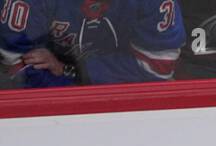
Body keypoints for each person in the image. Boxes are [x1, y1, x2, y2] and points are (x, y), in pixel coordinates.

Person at [0, 0, 185, 86]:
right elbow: (18, 71)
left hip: (126, 111)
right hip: (50, 117)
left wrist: (70, 70)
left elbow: (156, 68)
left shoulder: (154, 3)